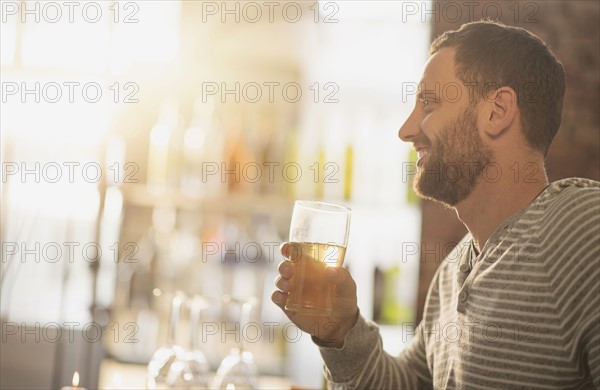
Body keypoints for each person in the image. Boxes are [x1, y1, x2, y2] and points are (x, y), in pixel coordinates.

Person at [272, 20, 600, 389]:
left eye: (429, 104)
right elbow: (408, 383)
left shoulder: (581, 228)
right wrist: (340, 330)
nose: (406, 130)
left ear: (497, 111)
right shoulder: (454, 271)